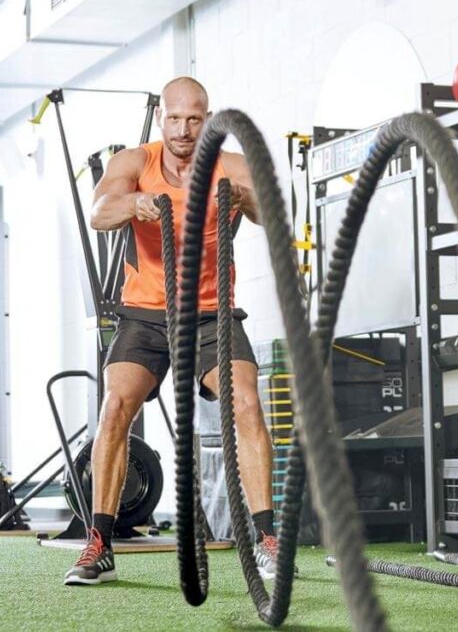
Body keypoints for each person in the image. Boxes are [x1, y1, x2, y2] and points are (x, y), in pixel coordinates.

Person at [64, 77, 280, 585]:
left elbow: (271, 211)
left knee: (246, 402)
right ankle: (99, 544)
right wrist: (134, 204)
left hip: (210, 315)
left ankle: (266, 538)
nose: (185, 129)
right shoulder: (135, 163)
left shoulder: (229, 166)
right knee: (116, 407)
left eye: (195, 118)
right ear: (162, 117)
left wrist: (242, 197)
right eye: (176, 118)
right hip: (144, 315)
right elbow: (98, 213)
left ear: (208, 120)